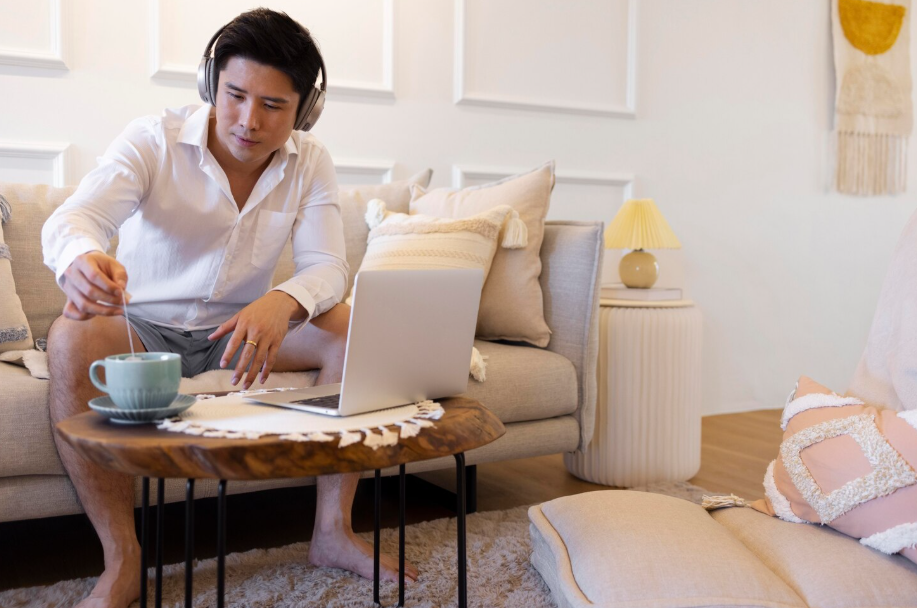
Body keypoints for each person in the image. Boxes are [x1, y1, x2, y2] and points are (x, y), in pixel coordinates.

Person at [41, 9, 416, 608]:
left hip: (239, 330)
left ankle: (332, 533)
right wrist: (81, 259)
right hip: (141, 327)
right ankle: (122, 559)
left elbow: (328, 267)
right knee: (71, 335)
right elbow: (76, 219)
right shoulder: (153, 139)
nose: (248, 120)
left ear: (304, 110)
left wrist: (283, 299)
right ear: (211, 83)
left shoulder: (311, 161)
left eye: (273, 106)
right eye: (236, 95)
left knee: (353, 331)